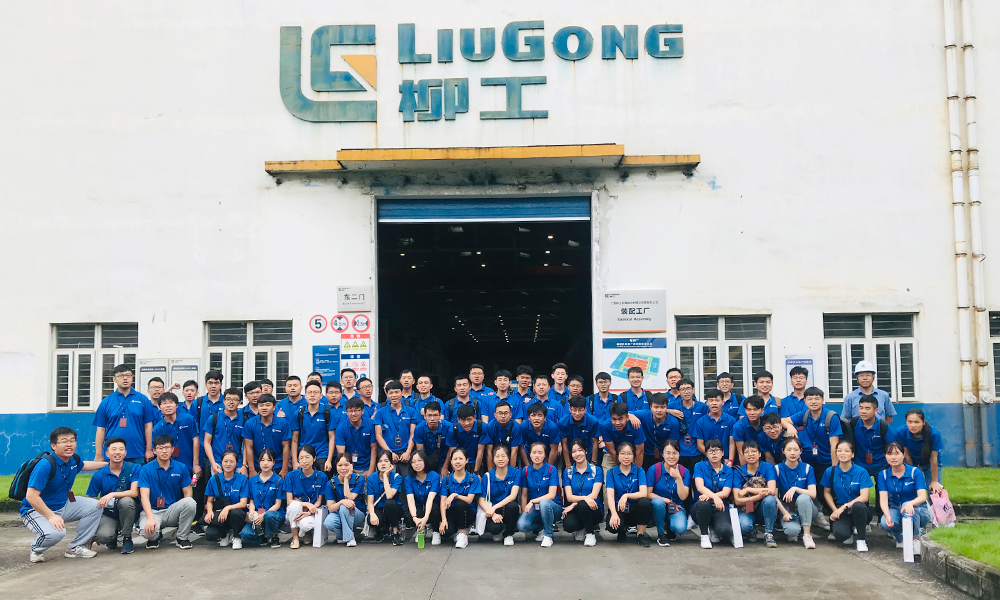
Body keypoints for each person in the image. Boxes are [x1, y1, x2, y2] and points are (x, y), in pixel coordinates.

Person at [21, 427, 105, 562]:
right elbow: (31, 496)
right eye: (64, 441)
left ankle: (76, 547)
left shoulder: (73, 459)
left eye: (72, 441)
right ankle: (36, 549)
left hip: (63, 504)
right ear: (53, 445)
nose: (69, 444)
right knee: (56, 533)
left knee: (96, 506)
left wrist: (108, 464)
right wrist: (51, 516)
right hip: (36, 510)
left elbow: (83, 465)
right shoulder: (45, 465)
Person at [782, 386, 840, 529]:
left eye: (816, 398)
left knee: (827, 491)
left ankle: (838, 521)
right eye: (810, 399)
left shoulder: (831, 417)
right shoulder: (805, 414)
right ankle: (816, 516)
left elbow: (834, 444)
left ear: (822, 400)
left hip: (827, 461)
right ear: (805, 401)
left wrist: (834, 469)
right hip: (809, 460)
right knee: (812, 489)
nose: (813, 402)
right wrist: (790, 427)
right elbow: (783, 420)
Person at [138, 434, 197, 550]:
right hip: (152, 511)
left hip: (171, 510)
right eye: (160, 448)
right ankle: (155, 537)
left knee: (190, 502)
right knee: (147, 532)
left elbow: (187, 493)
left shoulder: (181, 467)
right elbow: (144, 497)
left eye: (167, 447)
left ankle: (182, 537)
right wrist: (150, 517)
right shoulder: (146, 469)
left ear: (172, 449)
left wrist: (185, 516)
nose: (164, 451)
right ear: (154, 451)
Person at [93, 363, 156, 464]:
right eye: (121, 376)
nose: (125, 378)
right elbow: (100, 429)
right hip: (113, 453)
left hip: (137, 452)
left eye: (128, 375)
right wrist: (98, 454)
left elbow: (148, 426)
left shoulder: (142, 399)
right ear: (114, 379)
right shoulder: (106, 402)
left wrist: (149, 449)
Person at [86, 437, 139, 554]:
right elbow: (91, 500)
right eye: (114, 449)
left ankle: (127, 538)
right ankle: (112, 536)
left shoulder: (134, 468)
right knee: (104, 536)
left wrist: (112, 494)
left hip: (130, 510)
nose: (117, 452)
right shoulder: (99, 475)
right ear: (107, 453)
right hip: (109, 513)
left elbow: (134, 492)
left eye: (121, 449)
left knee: (126, 501)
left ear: (125, 453)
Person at [879, 442, 932, 555]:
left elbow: (922, 496)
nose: (893, 457)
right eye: (889, 454)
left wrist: (910, 503)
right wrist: (887, 515)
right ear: (885, 456)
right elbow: (883, 499)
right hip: (895, 507)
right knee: (884, 522)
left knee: (907, 506)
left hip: (918, 509)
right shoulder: (883, 475)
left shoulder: (915, 472)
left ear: (903, 455)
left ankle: (916, 538)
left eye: (897, 453)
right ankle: (900, 538)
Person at [821, 440, 873, 552]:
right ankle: (849, 531)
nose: (842, 453)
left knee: (858, 506)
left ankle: (861, 539)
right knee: (840, 535)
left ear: (852, 454)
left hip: (859, 509)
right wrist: (835, 510)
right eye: (839, 451)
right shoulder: (830, 471)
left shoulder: (861, 471)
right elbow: (827, 493)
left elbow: (864, 497)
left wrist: (844, 507)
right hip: (840, 510)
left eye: (846, 451)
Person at [604, 441, 652, 547]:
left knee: (645, 502)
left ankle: (640, 534)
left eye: (629, 454)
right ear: (617, 455)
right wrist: (614, 514)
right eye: (622, 453)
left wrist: (626, 495)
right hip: (619, 508)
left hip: (635, 508)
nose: (626, 457)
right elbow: (610, 496)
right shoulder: (611, 472)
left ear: (633, 456)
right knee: (613, 527)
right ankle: (622, 530)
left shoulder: (639, 470)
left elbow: (644, 493)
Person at [732, 440, 778, 547]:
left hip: (763, 508)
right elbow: (737, 500)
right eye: (747, 452)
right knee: (744, 526)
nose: (750, 454)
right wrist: (758, 496)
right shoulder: (738, 471)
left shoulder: (768, 467)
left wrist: (748, 490)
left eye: (754, 451)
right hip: (745, 509)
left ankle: (768, 533)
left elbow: (771, 490)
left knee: (770, 499)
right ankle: (751, 530)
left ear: (760, 454)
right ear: (742, 455)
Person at [774, 437, 818, 549]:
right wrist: (784, 513)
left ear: (800, 451)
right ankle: (797, 527)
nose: (792, 453)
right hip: (787, 507)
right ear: (783, 451)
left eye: (795, 449)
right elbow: (774, 496)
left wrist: (795, 489)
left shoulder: (808, 468)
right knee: (792, 532)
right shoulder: (777, 469)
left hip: (807, 506)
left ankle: (807, 535)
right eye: (789, 450)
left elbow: (813, 494)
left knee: (803, 497)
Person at [517, 441, 562, 548]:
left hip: (552, 506)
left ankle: (548, 535)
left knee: (544, 503)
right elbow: (524, 494)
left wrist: (532, 501)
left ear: (545, 455)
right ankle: (543, 527)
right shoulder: (526, 470)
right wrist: (524, 510)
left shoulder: (551, 469)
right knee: (522, 525)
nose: (537, 455)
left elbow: (551, 495)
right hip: (535, 508)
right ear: (530, 454)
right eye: (534, 452)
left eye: (540, 453)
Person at [201, 450, 249, 549]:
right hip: (220, 514)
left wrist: (227, 508)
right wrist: (209, 512)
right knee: (210, 535)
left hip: (237, 514)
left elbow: (243, 503)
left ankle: (236, 536)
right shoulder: (214, 479)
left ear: (236, 463)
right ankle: (225, 534)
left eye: (231, 462)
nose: (228, 464)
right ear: (221, 462)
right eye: (225, 461)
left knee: (236, 513)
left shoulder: (242, 479)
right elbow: (209, 501)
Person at [692, 439, 735, 549]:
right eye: (711, 451)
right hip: (700, 507)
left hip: (719, 507)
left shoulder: (728, 470)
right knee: (703, 503)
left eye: (717, 450)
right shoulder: (699, 466)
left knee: (725, 531)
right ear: (706, 454)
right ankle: (704, 535)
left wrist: (711, 496)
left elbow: (726, 492)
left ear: (723, 453)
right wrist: (715, 497)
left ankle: (713, 528)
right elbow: (700, 487)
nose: (714, 454)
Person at [647, 439, 690, 546]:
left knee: (680, 528)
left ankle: (669, 527)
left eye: (674, 453)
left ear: (679, 454)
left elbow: (683, 496)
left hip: (677, 507)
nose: (671, 456)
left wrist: (678, 478)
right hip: (658, 506)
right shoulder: (654, 469)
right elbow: (648, 493)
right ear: (663, 454)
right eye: (668, 453)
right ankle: (661, 533)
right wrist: (667, 501)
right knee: (658, 502)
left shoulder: (685, 471)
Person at [563, 439, 604, 547]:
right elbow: (569, 497)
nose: (577, 454)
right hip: (576, 510)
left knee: (582, 504)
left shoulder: (596, 470)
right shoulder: (568, 472)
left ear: (586, 451)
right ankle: (582, 528)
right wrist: (579, 501)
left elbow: (594, 495)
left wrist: (574, 504)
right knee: (568, 525)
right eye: (574, 451)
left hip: (594, 509)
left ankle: (590, 533)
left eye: (580, 450)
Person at [283, 445, 326, 549]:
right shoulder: (291, 476)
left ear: (314, 459)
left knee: (306, 524)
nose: (304, 461)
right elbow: (289, 500)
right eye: (301, 458)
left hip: (312, 511)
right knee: (294, 505)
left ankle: (306, 532)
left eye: (307, 457)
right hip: (294, 511)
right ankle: (295, 538)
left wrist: (309, 511)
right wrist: (306, 504)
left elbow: (319, 501)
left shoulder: (321, 477)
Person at [439, 447, 482, 548]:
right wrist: (444, 520)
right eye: (455, 459)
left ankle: (463, 533)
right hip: (452, 512)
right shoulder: (447, 479)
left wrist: (454, 495)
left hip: (468, 512)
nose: (458, 461)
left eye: (461, 458)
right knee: (445, 533)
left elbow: (469, 500)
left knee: (459, 503)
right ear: (451, 461)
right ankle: (456, 531)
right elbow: (442, 501)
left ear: (466, 460)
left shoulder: (473, 478)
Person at [374, 380, 418, 477]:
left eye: (397, 392)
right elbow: (378, 435)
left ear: (402, 392)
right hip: (387, 454)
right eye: (391, 393)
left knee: (406, 483)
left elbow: (413, 433)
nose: (394, 395)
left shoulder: (411, 411)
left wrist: (408, 452)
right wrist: (390, 453)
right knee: (387, 482)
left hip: (405, 454)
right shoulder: (380, 412)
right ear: (387, 394)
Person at [241, 448, 284, 548]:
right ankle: (263, 535)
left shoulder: (278, 480)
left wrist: (264, 514)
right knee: (245, 534)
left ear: (274, 462)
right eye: (262, 460)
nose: (265, 463)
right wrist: (252, 511)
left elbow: (278, 504)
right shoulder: (252, 480)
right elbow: (251, 501)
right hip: (257, 514)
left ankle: (274, 535)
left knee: (269, 515)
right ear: (259, 462)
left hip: (274, 514)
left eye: (269, 460)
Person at [481, 445, 522, 546]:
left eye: (503, 456)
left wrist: (493, 508)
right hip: (494, 510)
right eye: (497, 456)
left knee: (513, 506)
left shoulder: (516, 472)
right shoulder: (487, 476)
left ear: (508, 458)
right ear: (493, 459)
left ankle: (509, 534)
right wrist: (493, 513)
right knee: (494, 529)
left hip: (508, 508)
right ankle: (499, 531)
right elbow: (481, 500)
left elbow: (513, 496)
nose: (500, 459)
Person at [151, 392, 200, 478]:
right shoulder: (157, 428)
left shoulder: (188, 419)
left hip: (189, 465)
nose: (168, 406)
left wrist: (195, 464)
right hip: (169, 469)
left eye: (171, 402)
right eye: (164, 403)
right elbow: (157, 451)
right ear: (159, 407)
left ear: (177, 405)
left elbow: (196, 441)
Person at [243, 394, 292, 478]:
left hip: (278, 465)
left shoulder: (283, 423)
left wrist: (284, 469)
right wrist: (251, 470)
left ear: (273, 408)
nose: (264, 408)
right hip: (257, 465)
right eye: (261, 405)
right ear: (258, 407)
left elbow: (286, 447)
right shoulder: (250, 423)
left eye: (268, 405)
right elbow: (248, 447)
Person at [291, 381, 336, 473]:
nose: (312, 395)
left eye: (316, 392)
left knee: (322, 480)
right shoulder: (298, 414)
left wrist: (329, 460)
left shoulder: (328, 413)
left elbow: (332, 437)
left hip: (322, 454)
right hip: (304, 454)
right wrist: (295, 461)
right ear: (305, 395)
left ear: (321, 395)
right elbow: (294, 439)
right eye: (309, 392)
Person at [323, 454, 366, 547]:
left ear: (351, 465)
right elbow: (331, 508)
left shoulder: (359, 479)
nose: (343, 468)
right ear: (336, 466)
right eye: (340, 465)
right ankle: (344, 536)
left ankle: (349, 538)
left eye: (346, 465)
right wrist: (341, 502)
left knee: (345, 506)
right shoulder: (331, 483)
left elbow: (350, 498)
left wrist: (346, 480)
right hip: (339, 513)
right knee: (329, 522)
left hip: (357, 514)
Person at [899, 408, 945, 493]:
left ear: (923, 422)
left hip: (930, 463)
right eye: (909, 422)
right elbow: (907, 455)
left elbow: (933, 458)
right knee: (911, 490)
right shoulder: (901, 432)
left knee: (935, 490)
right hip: (911, 463)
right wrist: (912, 474)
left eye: (917, 422)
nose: (913, 425)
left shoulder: (934, 434)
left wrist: (934, 481)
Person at [668, 379, 709, 472]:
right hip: (678, 451)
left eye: (688, 388)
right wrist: (669, 411)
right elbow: (657, 411)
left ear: (693, 390)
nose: (686, 392)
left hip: (696, 451)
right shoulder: (673, 406)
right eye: (682, 389)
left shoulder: (702, 407)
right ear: (678, 392)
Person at [366, 450, 405, 545]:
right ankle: (381, 529)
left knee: (389, 502)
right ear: (377, 464)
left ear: (391, 464)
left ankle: (395, 532)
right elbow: (370, 502)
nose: (383, 464)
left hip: (395, 509)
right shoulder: (371, 478)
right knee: (371, 518)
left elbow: (389, 495)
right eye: (380, 461)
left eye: (386, 461)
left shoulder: (397, 477)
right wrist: (372, 514)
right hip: (379, 508)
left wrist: (385, 477)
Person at [204, 388, 246, 477]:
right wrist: (213, 463)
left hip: (238, 464)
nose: (231, 402)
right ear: (224, 401)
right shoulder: (214, 418)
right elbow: (207, 442)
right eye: (228, 399)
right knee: (218, 485)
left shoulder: (244, 420)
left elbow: (246, 445)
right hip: (218, 463)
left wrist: (244, 465)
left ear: (239, 402)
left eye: (235, 399)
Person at [633, 393, 681, 470]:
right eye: (656, 407)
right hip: (645, 454)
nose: (659, 410)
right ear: (651, 407)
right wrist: (632, 416)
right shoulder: (644, 414)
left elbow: (673, 444)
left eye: (662, 407)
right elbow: (625, 414)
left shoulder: (673, 422)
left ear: (667, 407)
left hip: (664, 455)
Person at [404, 450, 442, 546]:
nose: (417, 464)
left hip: (433, 505)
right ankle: (421, 530)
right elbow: (410, 500)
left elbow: (430, 499)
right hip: (419, 506)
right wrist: (414, 517)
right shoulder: (408, 479)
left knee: (433, 508)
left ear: (425, 461)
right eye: (413, 462)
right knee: (415, 510)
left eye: (420, 460)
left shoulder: (434, 476)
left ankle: (436, 532)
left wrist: (425, 518)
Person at [335, 397, 378, 476]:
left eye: (356, 410)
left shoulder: (370, 425)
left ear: (362, 411)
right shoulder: (341, 428)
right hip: (349, 467)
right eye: (350, 411)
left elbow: (374, 448)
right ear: (346, 412)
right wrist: (347, 470)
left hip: (367, 467)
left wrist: (371, 470)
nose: (353, 414)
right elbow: (341, 453)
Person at [692, 389, 737, 464]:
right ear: (707, 403)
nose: (714, 403)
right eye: (711, 400)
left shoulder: (731, 420)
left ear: (723, 402)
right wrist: (712, 457)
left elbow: (732, 443)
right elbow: (700, 445)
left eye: (717, 400)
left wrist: (730, 460)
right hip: (707, 461)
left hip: (726, 461)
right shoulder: (700, 422)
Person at [598, 402, 646, 469]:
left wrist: (637, 470)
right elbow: (612, 451)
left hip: (632, 453)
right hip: (612, 454)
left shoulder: (636, 426)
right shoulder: (606, 426)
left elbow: (640, 451)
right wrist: (621, 468)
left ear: (627, 417)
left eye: (620, 419)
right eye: (614, 419)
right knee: (608, 473)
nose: (617, 423)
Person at [559, 395, 601, 466]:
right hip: (570, 455)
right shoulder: (563, 422)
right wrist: (567, 463)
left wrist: (593, 462)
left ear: (585, 410)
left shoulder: (593, 421)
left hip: (588, 455)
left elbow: (595, 442)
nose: (577, 413)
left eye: (580, 410)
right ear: (570, 409)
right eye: (574, 410)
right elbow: (564, 444)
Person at [445, 403, 485, 474]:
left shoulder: (482, 427)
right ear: (458, 419)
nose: (466, 423)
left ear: (474, 417)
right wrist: (457, 472)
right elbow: (452, 453)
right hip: (460, 462)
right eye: (463, 420)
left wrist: (476, 472)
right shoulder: (453, 430)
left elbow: (480, 451)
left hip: (477, 462)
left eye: (469, 419)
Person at [518, 402, 562, 466]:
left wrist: (548, 469)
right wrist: (528, 467)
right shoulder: (523, 427)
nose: (536, 418)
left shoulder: (552, 427)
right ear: (529, 417)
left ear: (545, 418)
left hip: (548, 455)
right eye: (533, 415)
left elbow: (554, 450)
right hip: (529, 455)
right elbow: (521, 448)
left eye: (539, 415)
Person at [483, 400, 523, 469]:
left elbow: (514, 452)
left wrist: (511, 472)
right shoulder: (490, 427)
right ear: (495, 415)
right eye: (500, 413)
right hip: (494, 458)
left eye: (506, 413)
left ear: (510, 415)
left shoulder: (516, 427)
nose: (503, 416)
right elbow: (489, 452)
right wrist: (490, 473)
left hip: (509, 457)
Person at [413, 401, 451, 473]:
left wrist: (445, 467)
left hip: (445, 460)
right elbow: (420, 452)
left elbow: (451, 449)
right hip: (427, 460)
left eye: (435, 415)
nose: (432, 418)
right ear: (425, 416)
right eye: (429, 415)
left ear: (440, 416)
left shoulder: (448, 427)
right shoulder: (419, 428)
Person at [732, 395, 766, 463]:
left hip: (765, 459)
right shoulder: (738, 427)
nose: (752, 413)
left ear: (762, 411)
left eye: (755, 409)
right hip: (747, 459)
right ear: (745, 410)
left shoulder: (766, 423)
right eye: (749, 410)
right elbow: (741, 453)